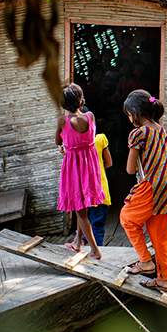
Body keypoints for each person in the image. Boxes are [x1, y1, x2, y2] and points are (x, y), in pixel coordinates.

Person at [120, 90, 167, 293]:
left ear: (136, 113)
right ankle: (164, 279)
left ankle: (145, 262)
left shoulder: (138, 133)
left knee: (127, 218)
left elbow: (130, 169)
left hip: (153, 185)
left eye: (129, 114)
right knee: (159, 237)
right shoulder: (160, 129)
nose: (129, 119)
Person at [56, 83, 105, 260]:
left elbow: (57, 141)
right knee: (81, 208)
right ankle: (78, 242)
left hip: (74, 168)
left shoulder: (63, 121)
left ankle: (95, 250)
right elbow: (86, 140)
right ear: (81, 100)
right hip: (90, 167)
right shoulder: (90, 116)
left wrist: (65, 148)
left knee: (80, 211)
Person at [88, 130, 113, 246]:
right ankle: (99, 252)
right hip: (99, 190)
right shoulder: (99, 139)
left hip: (81, 192)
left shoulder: (72, 142)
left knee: (83, 224)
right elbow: (109, 163)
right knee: (97, 226)